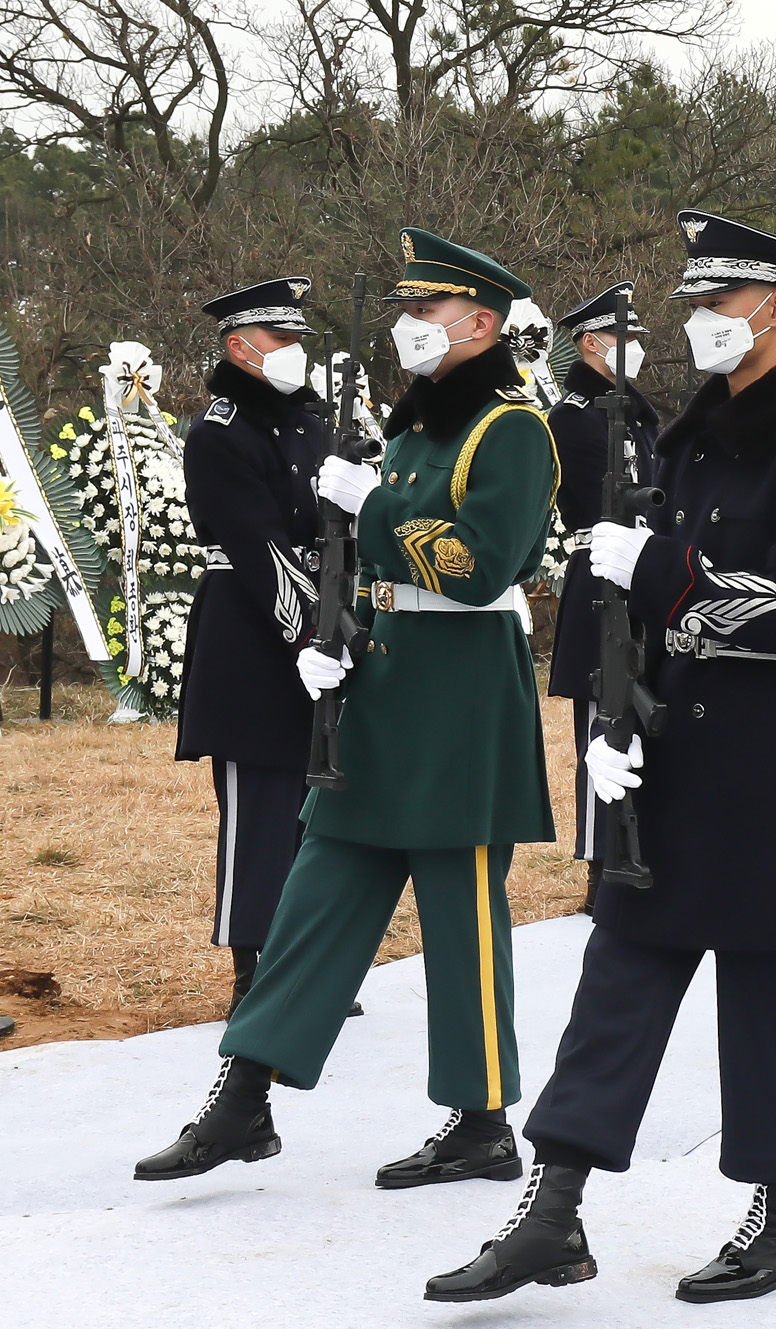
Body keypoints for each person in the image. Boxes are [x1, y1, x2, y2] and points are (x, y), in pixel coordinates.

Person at [428, 210, 776, 1305]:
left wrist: (667, 567)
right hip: (667, 749)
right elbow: (627, 612)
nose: (698, 323)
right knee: (617, 978)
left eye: (717, 303)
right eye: (692, 303)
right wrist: (609, 728)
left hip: (763, 760)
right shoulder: (684, 437)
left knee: (763, 995)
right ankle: (552, 1211)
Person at [135, 229, 558, 1189]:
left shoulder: (510, 427)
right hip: (382, 685)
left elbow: (484, 562)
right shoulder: (413, 425)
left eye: (427, 310)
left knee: (462, 915)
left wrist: (369, 510)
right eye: (404, 309)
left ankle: (482, 1117)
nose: (409, 325)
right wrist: (335, 635)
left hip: (460, 694)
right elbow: (373, 565)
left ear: (481, 322)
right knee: (316, 898)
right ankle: (243, 1101)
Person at [173, 279, 333, 1017]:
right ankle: (250, 967)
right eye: (282, 340)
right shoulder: (218, 430)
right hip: (248, 631)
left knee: (310, 805)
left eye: (299, 339)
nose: (296, 353)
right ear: (240, 347)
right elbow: (255, 542)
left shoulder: (310, 423)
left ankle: (302, 958)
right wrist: (310, 627)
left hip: (317, 630)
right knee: (255, 809)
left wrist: (342, 623)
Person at [547, 282, 661, 912]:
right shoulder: (574, 415)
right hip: (601, 569)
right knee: (602, 712)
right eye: (626, 339)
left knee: (640, 710)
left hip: (645, 569)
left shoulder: (635, 410)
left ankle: (637, 844)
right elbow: (586, 503)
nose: (635, 349)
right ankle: (599, 859)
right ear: (591, 343)